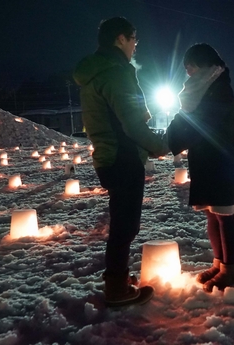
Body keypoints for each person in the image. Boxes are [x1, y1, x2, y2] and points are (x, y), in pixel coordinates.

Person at [73, 17, 169, 307]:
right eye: (133, 40)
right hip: (123, 156)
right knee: (125, 226)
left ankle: (118, 279)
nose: (135, 47)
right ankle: (116, 288)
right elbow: (133, 124)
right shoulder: (115, 73)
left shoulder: (95, 72)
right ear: (120, 39)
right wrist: (161, 145)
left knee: (122, 223)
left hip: (108, 157)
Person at [167, 43, 234, 292]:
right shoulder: (202, 88)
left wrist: (172, 140)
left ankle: (230, 270)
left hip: (220, 159)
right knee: (212, 212)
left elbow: (204, 124)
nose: (188, 71)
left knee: (224, 214)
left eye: (191, 65)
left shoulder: (218, 87)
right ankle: (219, 263)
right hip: (204, 158)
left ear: (204, 64)